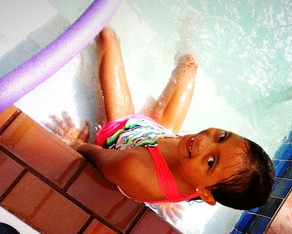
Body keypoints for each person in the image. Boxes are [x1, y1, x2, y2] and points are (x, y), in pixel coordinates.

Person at [47, 27, 274, 210]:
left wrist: (76, 144)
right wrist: (167, 197)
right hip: (158, 133)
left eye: (211, 161)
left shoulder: (134, 168)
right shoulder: (204, 176)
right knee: (189, 66)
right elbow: (205, 161)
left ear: (204, 192)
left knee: (108, 37)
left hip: (122, 134)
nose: (203, 141)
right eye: (222, 137)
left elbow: (100, 158)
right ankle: (187, 30)